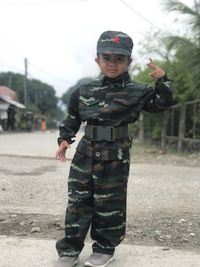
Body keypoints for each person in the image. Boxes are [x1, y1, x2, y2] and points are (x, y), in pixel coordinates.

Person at [55, 30, 174, 267]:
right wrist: (64, 139)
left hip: (115, 155)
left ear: (129, 62)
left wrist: (163, 81)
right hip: (85, 152)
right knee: (78, 201)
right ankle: (69, 250)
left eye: (119, 59)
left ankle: (104, 249)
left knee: (109, 203)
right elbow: (73, 116)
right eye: (107, 58)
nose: (112, 63)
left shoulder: (138, 91)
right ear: (97, 59)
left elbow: (161, 105)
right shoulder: (85, 89)